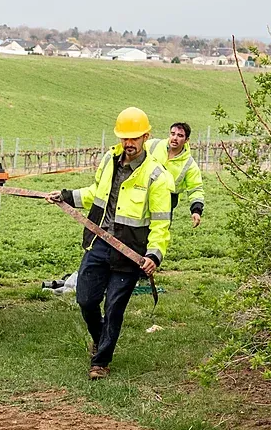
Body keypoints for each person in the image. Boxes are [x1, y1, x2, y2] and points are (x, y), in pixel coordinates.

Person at [48, 107, 174, 380]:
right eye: (124, 138)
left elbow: (162, 223)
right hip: (99, 242)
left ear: (146, 137)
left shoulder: (157, 176)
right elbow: (96, 193)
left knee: (115, 307)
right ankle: (101, 338)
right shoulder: (109, 160)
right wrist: (67, 196)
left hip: (130, 252)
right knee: (85, 299)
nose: (129, 144)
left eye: (134, 138)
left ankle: (101, 362)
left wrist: (154, 254)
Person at [147, 122, 205, 228]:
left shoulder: (189, 164)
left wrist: (196, 210)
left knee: (159, 233)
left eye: (180, 135)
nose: (175, 138)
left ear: (187, 140)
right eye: (172, 134)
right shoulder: (153, 145)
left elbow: (196, 189)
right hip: (142, 194)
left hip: (166, 203)